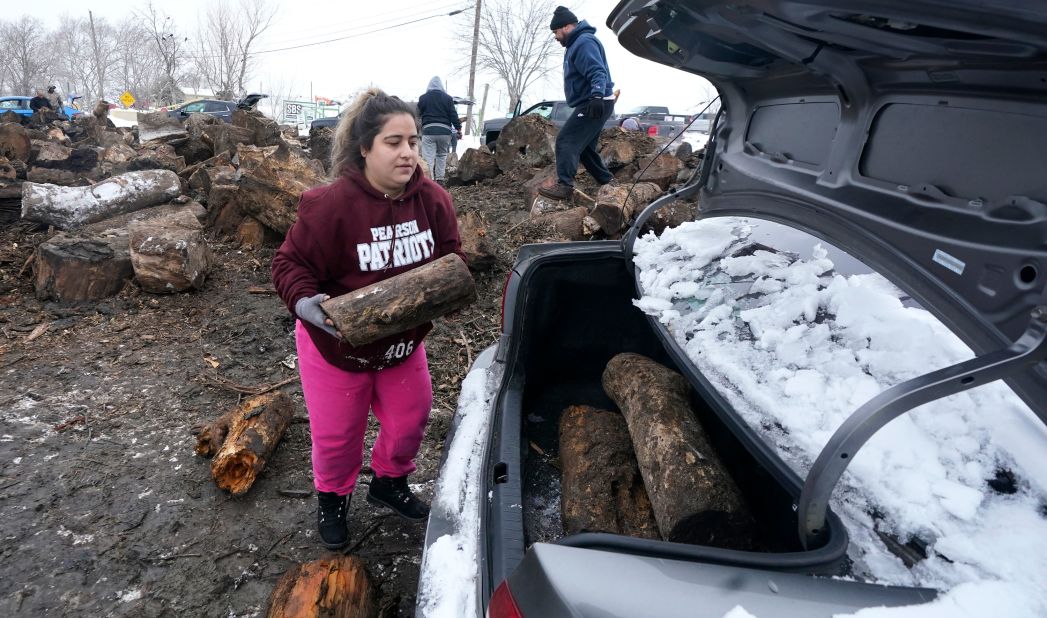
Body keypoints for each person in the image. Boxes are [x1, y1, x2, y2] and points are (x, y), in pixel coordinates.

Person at [271, 88, 463, 550]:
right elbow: (289, 265)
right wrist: (304, 304)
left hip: (401, 345)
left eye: (414, 142)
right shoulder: (330, 204)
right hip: (336, 346)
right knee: (339, 436)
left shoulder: (432, 200)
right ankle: (333, 500)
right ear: (365, 148)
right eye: (393, 142)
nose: (408, 152)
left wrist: (449, 290)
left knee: (411, 419)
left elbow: (452, 257)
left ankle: (388, 484)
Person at [538, 6, 616, 201]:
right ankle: (609, 183)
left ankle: (565, 186)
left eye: (556, 32)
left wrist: (597, 95)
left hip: (594, 102)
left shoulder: (583, 42)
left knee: (565, 140)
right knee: (585, 149)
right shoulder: (576, 43)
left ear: (566, 26)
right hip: (594, 101)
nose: (555, 37)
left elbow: (597, 71)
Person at [416, 76, 461, 182]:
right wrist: (458, 129)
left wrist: (417, 128)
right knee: (441, 155)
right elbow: (453, 115)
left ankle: (428, 181)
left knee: (428, 158)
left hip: (428, 131)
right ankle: (440, 179)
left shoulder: (423, 98)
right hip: (445, 132)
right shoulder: (448, 98)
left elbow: (417, 115)